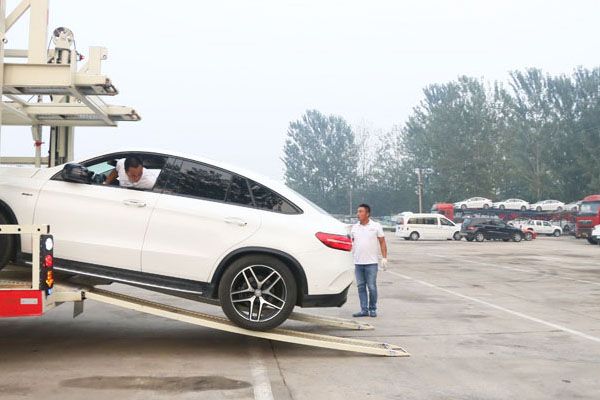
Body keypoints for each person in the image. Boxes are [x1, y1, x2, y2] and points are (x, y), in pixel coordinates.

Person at [350, 203, 388, 318]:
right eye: (358, 211)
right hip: (358, 263)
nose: (358, 214)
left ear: (367, 214)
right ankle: (364, 310)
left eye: (360, 211)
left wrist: (384, 257)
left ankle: (372, 308)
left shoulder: (376, 226)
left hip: (371, 263)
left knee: (371, 287)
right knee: (361, 287)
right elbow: (351, 243)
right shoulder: (354, 227)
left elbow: (382, 241)